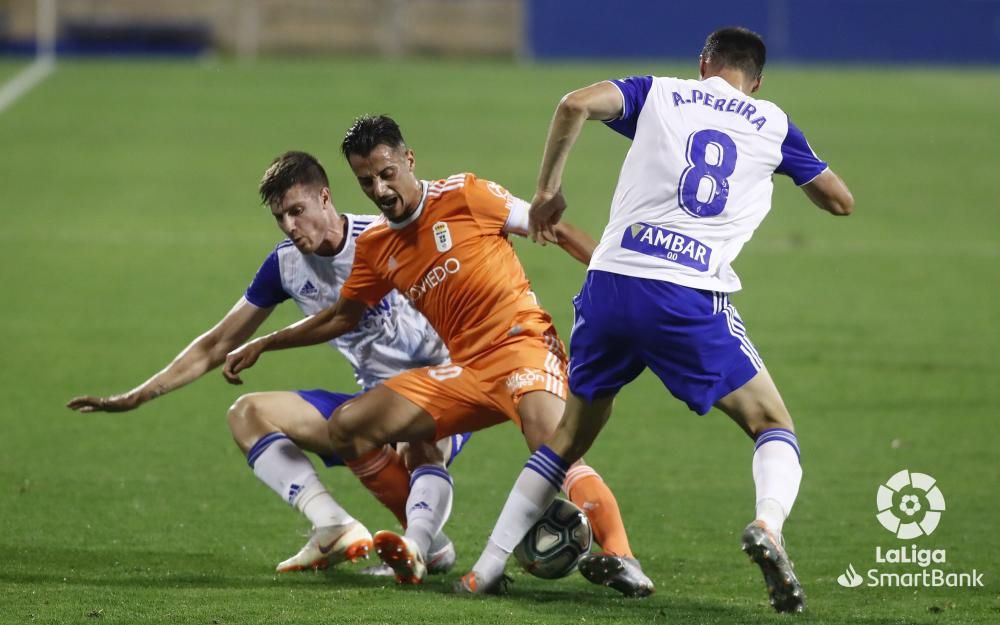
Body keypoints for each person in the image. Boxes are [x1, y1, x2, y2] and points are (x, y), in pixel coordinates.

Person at [462, 26, 854, 611]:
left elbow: (573, 104)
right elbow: (839, 199)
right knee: (773, 424)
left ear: (704, 64)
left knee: (568, 437)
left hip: (610, 284)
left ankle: (485, 568)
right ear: (757, 80)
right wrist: (790, 167)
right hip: (687, 297)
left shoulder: (661, 92)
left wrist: (547, 191)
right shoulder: (773, 123)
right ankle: (768, 527)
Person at [223, 114, 652, 594]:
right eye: (367, 182)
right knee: (348, 426)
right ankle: (422, 539)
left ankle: (621, 556)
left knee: (552, 443)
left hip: (520, 345)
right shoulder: (378, 246)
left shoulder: (465, 194)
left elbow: (553, 228)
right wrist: (265, 342)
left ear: (409, 160)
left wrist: (622, 286)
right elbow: (342, 316)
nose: (381, 189)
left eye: (388, 173)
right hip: (464, 370)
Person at [67, 151, 470, 576]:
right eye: (281, 217)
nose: (291, 227)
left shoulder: (385, 236)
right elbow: (216, 343)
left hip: (440, 389)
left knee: (416, 440)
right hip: (371, 408)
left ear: (325, 198)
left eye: (297, 211)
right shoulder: (286, 265)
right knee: (248, 414)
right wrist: (137, 396)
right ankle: (334, 525)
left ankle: (425, 544)